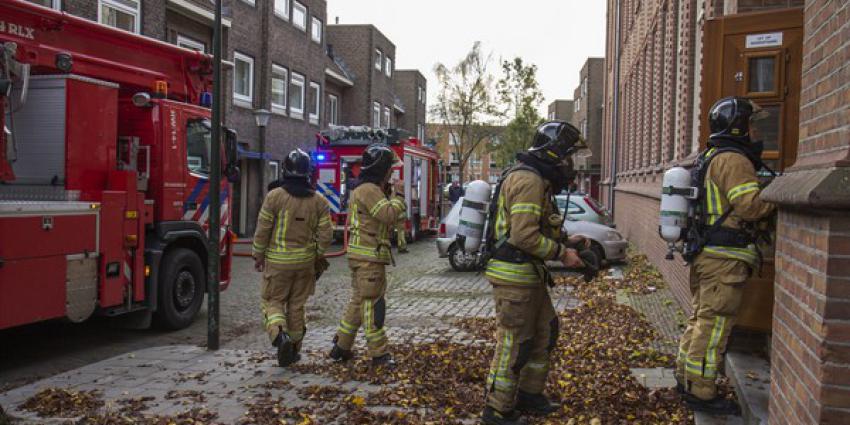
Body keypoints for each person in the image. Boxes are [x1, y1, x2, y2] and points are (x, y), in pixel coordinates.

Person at [480, 121, 589, 425]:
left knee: (545, 332)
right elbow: (523, 236)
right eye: (568, 156)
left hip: (529, 276)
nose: (571, 164)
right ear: (554, 154)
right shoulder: (529, 181)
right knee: (514, 342)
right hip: (515, 277)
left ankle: (529, 394)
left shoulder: (537, 178)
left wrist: (568, 241)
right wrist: (561, 254)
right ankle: (497, 409)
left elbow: (539, 227)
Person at [675, 97, 775, 414]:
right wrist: (777, 195)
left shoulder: (712, 156)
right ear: (739, 126)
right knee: (715, 324)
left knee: (701, 319)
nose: (755, 131)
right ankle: (702, 393)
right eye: (751, 124)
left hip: (708, 255)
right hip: (724, 260)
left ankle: (687, 378)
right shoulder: (733, 160)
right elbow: (750, 206)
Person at [252, 149, 333, 367]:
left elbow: (263, 229)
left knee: (273, 301)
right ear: (309, 173)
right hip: (305, 264)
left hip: (277, 263)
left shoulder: (274, 196)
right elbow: (326, 235)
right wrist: (315, 255)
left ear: (285, 170)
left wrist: (258, 255)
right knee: (297, 306)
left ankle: (280, 337)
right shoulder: (320, 201)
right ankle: (295, 351)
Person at [329, 144, 405, 367]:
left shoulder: (368, 188)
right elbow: (388, 215)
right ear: (382, 168)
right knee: (373, 304)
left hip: (363, 256)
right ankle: (379, 354)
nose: (392, 172)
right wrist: (399, 196)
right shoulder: (369, 190)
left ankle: (341, 347)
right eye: (390, 168)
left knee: (358, 301)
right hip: (369, 257)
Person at [393, 179, 408, 254]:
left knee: (401, 234)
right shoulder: (400, 201)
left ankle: (402, 247)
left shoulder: (395, 199)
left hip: (400, 219)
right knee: (401, 234)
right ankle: (401, 248)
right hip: (400, 219)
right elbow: (404, 208)